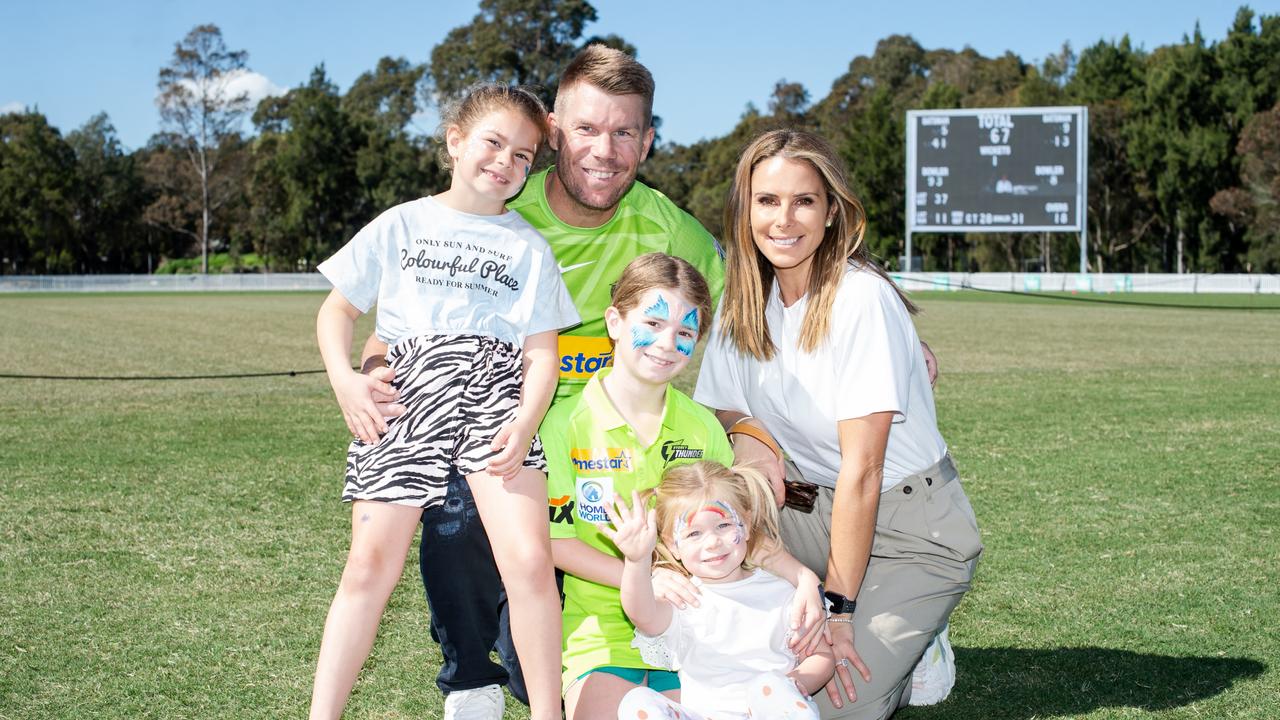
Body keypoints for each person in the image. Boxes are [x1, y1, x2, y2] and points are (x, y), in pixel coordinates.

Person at [358, 45, 725, 720]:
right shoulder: (498, 212)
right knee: (454, 494)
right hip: (508, 447)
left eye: (623, 133)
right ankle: (470, 675)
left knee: (548, 686)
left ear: (646, 141)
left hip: (601, 462)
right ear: (554, 129)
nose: (603, 150)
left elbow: (761, 290)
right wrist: (378, 369)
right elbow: (400, 325)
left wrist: (886, 314)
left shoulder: (674, 232)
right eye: (586, 128)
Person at [310, 84, 578, 720]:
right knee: (368, 567)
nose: (506, 162)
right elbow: (336, 310)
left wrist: (525, 420)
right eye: (493, 142)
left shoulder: (530, 248)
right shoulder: (403, 222)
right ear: (455, 141)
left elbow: (544, 355)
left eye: (523, 154)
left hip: (494, 400)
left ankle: (548, 714)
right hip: (407, 397)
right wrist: (347, 381)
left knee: (531, 563)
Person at [694, 129, 982, 720]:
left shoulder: (861, 299)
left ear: (832, 212)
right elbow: (722, 403)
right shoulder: (743, 299)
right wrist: (752, 437)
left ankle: (913, 640)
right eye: (767, 200)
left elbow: (864, 470)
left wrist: (841, 609)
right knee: (701, 550)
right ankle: (850, 610)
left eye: (804, 200)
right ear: (744, 208)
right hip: (806, 510)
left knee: (829, 707)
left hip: (910, 529)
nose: (784, 219)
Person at [538, 253, 825, 720]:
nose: (666, 343)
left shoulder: (702, 428)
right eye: (651, 322)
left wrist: (804, 578)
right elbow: (554, 543)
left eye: (685, 332)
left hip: (699, 631)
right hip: (603, 632)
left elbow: (739, 530)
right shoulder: (564, 425)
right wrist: (644, 574)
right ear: (614, 320)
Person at [606, 460, 836, 720]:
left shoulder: (783, 593)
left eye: (724, 526)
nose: (713, 542)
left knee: (768, 687)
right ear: (673, 545)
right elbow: (641, 613)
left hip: (771, 713)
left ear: (747, 525)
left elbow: (821, 655)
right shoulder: (683, 598)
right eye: (694, 534)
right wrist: (637, 562)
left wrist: (793, 683)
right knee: (638, 701)